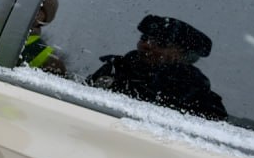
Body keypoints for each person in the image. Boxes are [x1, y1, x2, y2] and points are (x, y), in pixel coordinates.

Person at [87, 14, 227, 120]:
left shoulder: (198, 95)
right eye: (144, 38)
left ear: (183, 56)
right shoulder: (116, 68)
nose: (147, 45)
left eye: (161, 43)